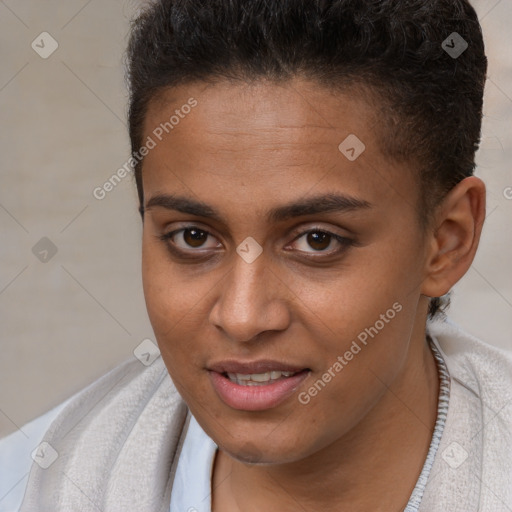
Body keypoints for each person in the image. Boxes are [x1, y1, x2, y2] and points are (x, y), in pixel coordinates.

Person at [1, 0, 511, 510]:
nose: (243, 318)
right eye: (193, 238)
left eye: (317, 240)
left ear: (447, 241)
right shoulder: (34, 484)